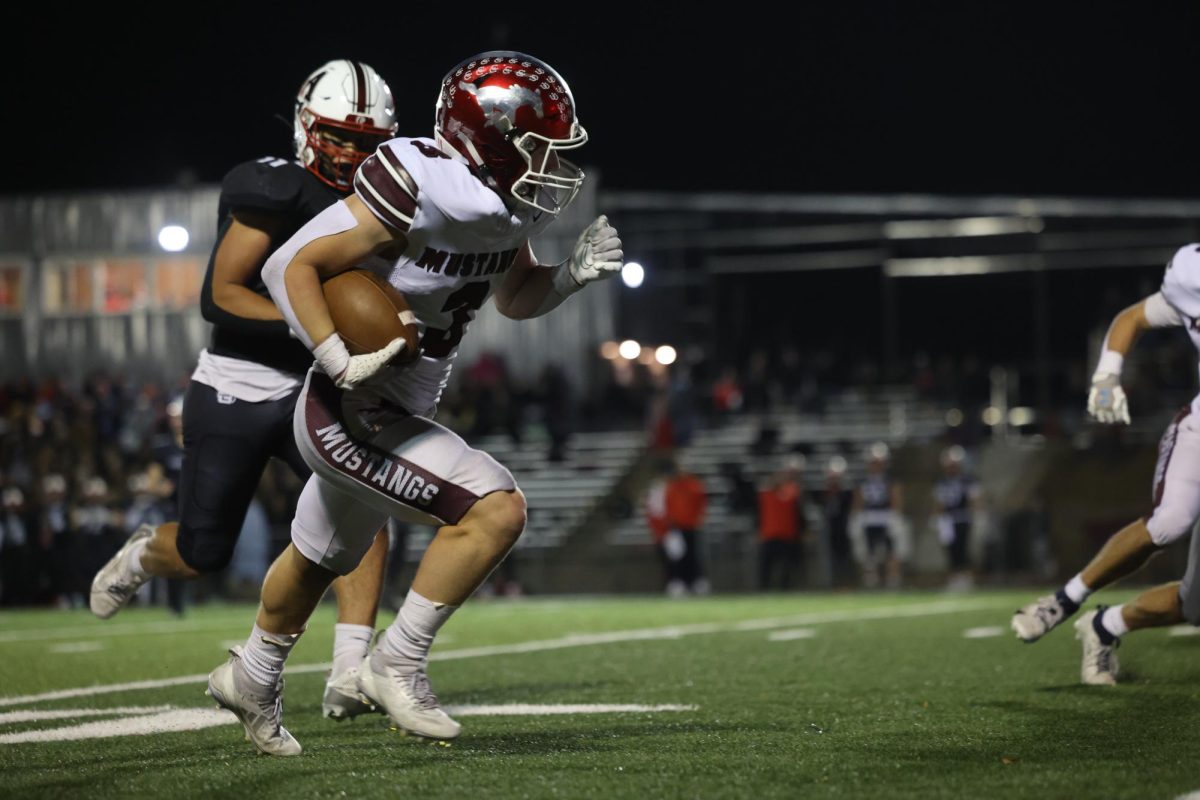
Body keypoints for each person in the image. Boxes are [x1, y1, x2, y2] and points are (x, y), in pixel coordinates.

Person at [205, 51, 624, 756]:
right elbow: (287, 266)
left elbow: (514, 297)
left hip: (399, 405)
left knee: (318, 558)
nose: (551, 163)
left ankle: (251, 674)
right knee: (497, 509)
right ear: (490, 136)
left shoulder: (502, 202)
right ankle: (396, 663)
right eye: (538, 145)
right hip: (353, 403)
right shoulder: (420, 179)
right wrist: (338, 357)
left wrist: (571, 278)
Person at [89, 61, 398, 719]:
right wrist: (321, 330)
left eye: (363, 142)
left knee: (364, 500)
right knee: (204, 552)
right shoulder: (276, 186)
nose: (348, 153)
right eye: (338, 135)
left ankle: (349, 673)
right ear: (307, 125)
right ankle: (146, 553)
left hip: (313, 385)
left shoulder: (383, 203)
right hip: (239, 383)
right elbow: (222, 296)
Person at [1012, 244, 1200, 684]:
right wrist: (1106, 375)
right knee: (1170, 521)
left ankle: (1105, 625)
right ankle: (1063, 599)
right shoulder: (1191, 274)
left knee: (1194, 606)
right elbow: (1132, 317)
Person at [850, 442, 904, 588]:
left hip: (886, 516)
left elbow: (895, 497)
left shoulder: (890, 479)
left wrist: (895, 515)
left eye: (879, 462)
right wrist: (856, 516)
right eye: (874, 462)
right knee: (869, 553)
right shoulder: (862, 479)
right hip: (869, 518)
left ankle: (892, 580)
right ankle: (871, 581)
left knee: (891, 551)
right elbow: (858, 499)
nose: (876, 465)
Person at [932, 445, 981, 591]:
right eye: (949, 465)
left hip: (964, 517)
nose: (951, 468)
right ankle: (954, 578)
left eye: (954, 465)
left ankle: (966, 577)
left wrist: (977, 514)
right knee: (951, 550)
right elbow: (939, 502)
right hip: (948, 520)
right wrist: (937, 517)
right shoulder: (941, 481)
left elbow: (974, 499)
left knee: (964, 548)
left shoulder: (968, 480)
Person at [757, 456, 807, 590]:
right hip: (770, 535)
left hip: (787, 536)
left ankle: (786, 588)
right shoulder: (767, 494)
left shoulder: (791, 492)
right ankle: (764, 589)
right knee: (766, 566)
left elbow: (799, 513)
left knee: (788, 566)